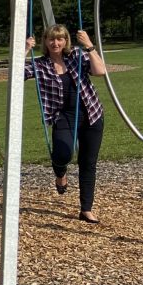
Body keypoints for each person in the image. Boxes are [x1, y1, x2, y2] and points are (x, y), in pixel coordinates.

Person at [25, 25, 106, 224]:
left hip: (91, 113)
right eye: (51, 39)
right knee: (62, 153)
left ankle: (86, 209)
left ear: (66, 40)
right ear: (45, 41)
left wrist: (89, 46)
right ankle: (60, 174)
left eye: (60, 39)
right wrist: (25, 49)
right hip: (63, 116)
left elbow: (100, 71)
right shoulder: (40, 65)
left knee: (88, 163)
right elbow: (14, 75)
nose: (56, 43)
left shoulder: (76, 56)